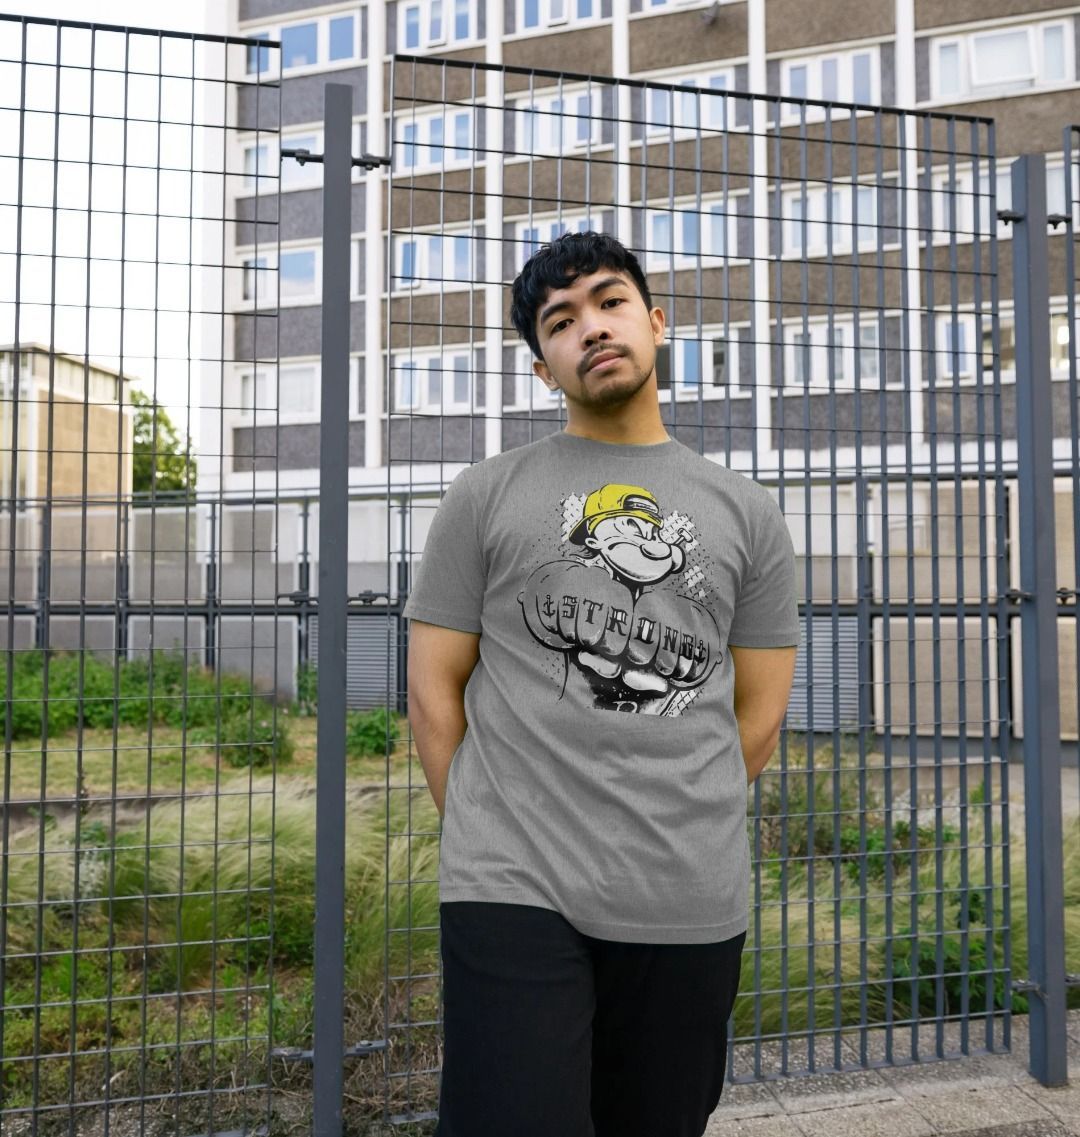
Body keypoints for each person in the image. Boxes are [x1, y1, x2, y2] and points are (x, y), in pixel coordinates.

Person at [403, 231, 800, 1137]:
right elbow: (432, 695)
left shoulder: (747, 512)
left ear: (655, 322)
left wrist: (673, 806)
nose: (590, 327)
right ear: (543, 367)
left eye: (610, 301)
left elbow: (760, 714)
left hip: (687, 891)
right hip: (511, 884)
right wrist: (492, 825)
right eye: (560, 321)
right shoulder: (483, 495)